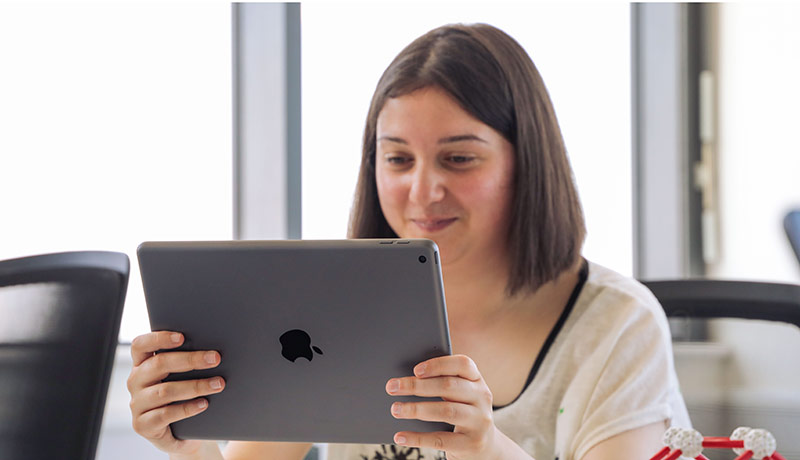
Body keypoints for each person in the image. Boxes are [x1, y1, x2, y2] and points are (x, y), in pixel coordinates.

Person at [127, 23, 690, 460]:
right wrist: (192, 444)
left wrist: (486, 446)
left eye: (459, 159)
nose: (423, 192)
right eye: (397, 159)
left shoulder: (618, 326)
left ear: (528, 165)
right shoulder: (334, 304)